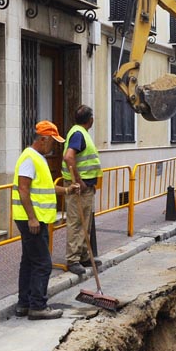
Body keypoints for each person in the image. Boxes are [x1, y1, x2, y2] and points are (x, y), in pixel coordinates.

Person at [13, 120, 80, 320]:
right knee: (43, 263)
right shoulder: (29, 158)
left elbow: (46, 187)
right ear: (43, 139)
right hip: (32, 221)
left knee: (29, 262)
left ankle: (24, 304)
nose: (54, 145)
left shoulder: (37, 158)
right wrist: (32, 218)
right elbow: (23, 188)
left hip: (35, 219)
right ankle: (37, 306)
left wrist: (67, 190)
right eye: (53, 141)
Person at [62, 105, 103, 275]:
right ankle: (73, 259)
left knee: (85, 222)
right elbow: (69, 157)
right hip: (80, 189)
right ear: (90, 120)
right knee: (77, 222)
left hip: (86, 187)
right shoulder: (78, 134)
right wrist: (78, 181)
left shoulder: (80, 133)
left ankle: (85, 255)